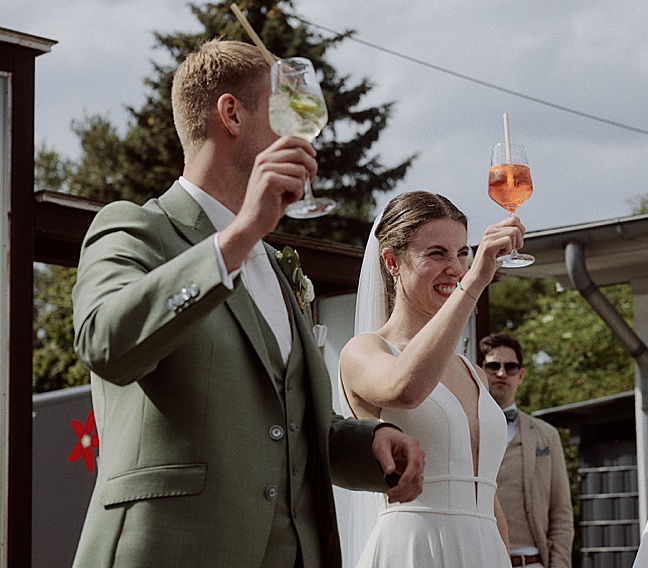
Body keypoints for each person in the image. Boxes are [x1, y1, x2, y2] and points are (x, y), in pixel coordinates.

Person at [71, 39, 425, 568]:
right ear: (231, 114)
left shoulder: (274, 268)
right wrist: (239, 235)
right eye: (285, 111)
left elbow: (292, 424)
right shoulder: (137, 228)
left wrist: (369, 441)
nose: (303, 131)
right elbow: (105, 342)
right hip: (172, 550)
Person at [338, 191, 526, 567]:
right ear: (392, 261)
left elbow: (487, 498)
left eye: (462, 254)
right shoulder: (364, 352)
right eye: (437, 254)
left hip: (484, 550)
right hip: (413, 550)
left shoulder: (474, 372)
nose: (455, 268)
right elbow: (404, 389)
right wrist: (475, 283)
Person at [479, 333, 574, 568]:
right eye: (493, 366)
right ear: (479, 371)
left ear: (520, 375)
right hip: (479, 558)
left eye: (510, 367)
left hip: (530, 561)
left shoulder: (546, 435)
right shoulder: (463, 429)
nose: (502, 373)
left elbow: (561, 511)